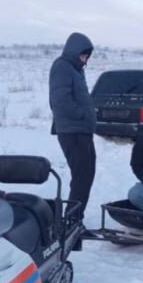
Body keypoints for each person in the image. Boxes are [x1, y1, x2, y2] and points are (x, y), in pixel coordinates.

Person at [49, 32, 96, 221]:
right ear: (75, 51)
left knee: (85, 175)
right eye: (83, 55)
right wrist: (83, 114)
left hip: (81, 130)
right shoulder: (62, 67)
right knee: (82, 176)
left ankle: (73, 218)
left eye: (87, 56)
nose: (85, 60)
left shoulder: (76, 69)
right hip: (72, 131)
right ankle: (72, 221)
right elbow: (61, 101)